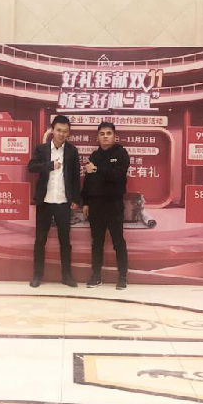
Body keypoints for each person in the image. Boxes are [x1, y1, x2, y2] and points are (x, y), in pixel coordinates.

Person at [26, 114, 81, 288]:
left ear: (68, 133)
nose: (61, 134)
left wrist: (76, 199)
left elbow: (75, 177)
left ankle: (66, 276)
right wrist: (49, 165)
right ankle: (37, 275)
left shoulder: (72, 151)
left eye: (65, 131)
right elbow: (31, 167)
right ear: (52, 130)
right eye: (59, 130)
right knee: (40, 240)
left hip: (63, 202)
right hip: (45, 202)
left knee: (65, 241)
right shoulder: (42, 149)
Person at [81, 121, 130, 290]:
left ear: (115, 136)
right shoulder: (94, 156)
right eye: (102, 134)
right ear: (97, 137)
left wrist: (97, 170)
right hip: (96, 205)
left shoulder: (121, 153)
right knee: (97, 242)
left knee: (118, 241)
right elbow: (88, 181)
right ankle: (96, 276)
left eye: (109, 133)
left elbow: (118, 176)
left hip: (114, 204)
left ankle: (122, 277)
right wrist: (85, 202)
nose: (105, 137)